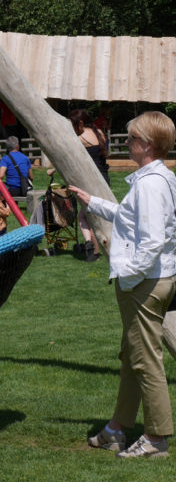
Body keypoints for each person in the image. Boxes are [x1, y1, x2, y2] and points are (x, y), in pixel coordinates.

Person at [69, 111, 176, 458]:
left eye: (130, 139)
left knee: (145, 361)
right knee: (132, 357)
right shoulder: (158, 179)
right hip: (151, 279)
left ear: (146, 145)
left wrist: (130, 276)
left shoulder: (150, 184)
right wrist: (93, 202)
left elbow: (153, 240)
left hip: (145, 282)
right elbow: (130, 218)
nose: (126, 143)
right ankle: (117, 427)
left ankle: (157, 439)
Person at [70, 108, 109, 262]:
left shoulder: (79, 139)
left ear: (80, 123)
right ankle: (97, 247)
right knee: (96, 214)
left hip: (90, 181)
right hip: (104, 178)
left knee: (85, 217)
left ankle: (91, 249)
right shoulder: (99, 133)